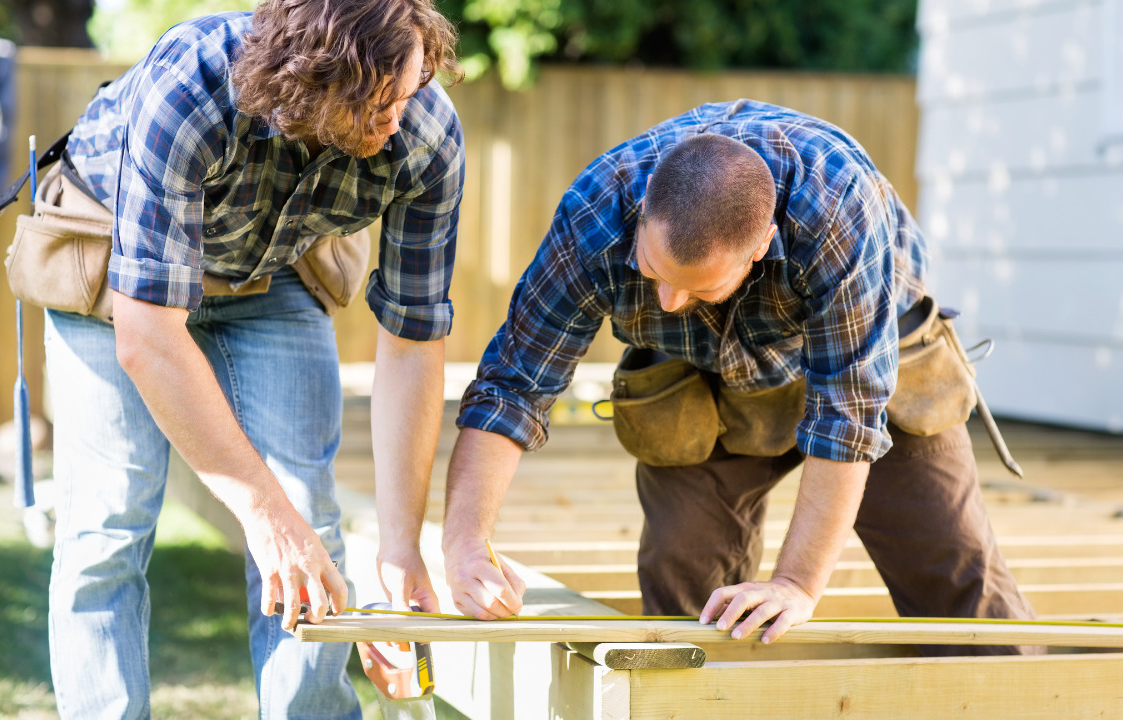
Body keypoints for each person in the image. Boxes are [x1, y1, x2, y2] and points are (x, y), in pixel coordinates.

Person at [439, 99, 1040, 655]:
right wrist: (465, 542)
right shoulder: (596, 215)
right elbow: (512, 387)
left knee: (954, 575)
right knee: (684, 588)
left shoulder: (834, 207)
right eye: (652, 268)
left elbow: (848, 417)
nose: (669, 300)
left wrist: (797, 584)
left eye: (698, 285)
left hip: (877, 362)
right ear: (645, 206)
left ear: (761, 248)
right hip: (698, 373)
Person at [42, 1, 463, 716]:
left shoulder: (425, 135)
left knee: (311, 519)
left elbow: (413, 340)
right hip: (115, 268)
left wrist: (400, 549)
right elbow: (149, 336)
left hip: (270, 275)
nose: (398, 119)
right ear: (313, 81)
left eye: (412, 90)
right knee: (107, 525)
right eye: (376, 104)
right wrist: (264, 519)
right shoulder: (196, 82)